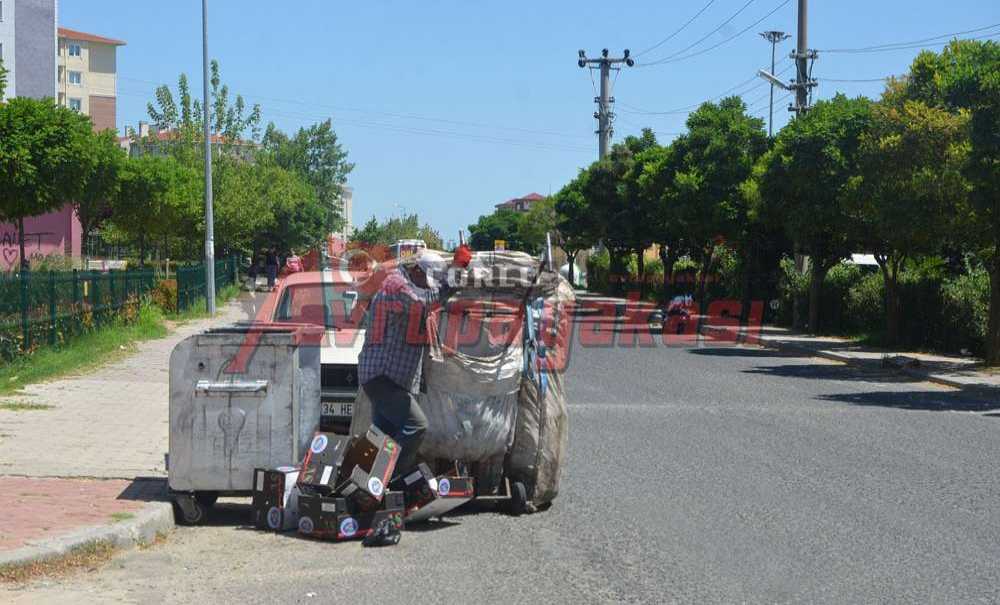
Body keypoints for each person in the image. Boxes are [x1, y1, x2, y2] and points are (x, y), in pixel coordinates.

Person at [358, 250, 456, 478]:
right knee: (417, 426)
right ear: (416, 270)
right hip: (383, 377)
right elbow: (424, 304)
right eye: (425, 279)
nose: (427, 284)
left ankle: (365, 485)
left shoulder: (406, 282)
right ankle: (390, 480)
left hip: (386, 378)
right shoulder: (397, 285)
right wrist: (453, 279)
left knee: (384, 438)